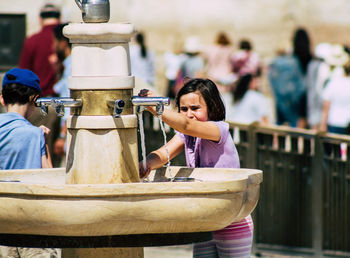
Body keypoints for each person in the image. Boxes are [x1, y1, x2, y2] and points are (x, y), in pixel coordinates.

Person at [138, 78, 253, 257]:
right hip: (206, 222)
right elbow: (162, 154)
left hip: (233, 220)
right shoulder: (186, 136)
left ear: (212, 107)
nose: (189, 114)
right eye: (183, 109)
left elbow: (187, 125)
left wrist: (157, 109)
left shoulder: (219, 130)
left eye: (195, 108)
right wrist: (145, 165)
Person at [0, 68, 59, 257]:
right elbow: (51, 179)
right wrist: (44, 140)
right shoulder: (35, 135)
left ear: (2, 99)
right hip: (31, 227)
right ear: (34, 100)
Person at [18, 3, 62, 165]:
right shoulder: (64, 40)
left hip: (38, 105)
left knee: (40, 153)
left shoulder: (32, 41)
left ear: (40, 19)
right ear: (60, 18)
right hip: (63, 104)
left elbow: (22, 74)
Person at [268, 28, 312, 128]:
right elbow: (302, 86)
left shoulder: (274, 64)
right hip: (298, 104)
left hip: (281, 102)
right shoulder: (295, 62)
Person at [52, 23, 71, 165]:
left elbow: (70, 104)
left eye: (55, 42)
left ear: (63, 43)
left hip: (69, 133)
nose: (53, 46)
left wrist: (62, 136)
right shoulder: (68, 65)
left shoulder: (71, 67)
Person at [320, 58, 350, 135]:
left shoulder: (333, 82)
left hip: (334, 121)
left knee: (334, 145)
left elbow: (326, 106)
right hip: (347, 122)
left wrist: (323, 124)